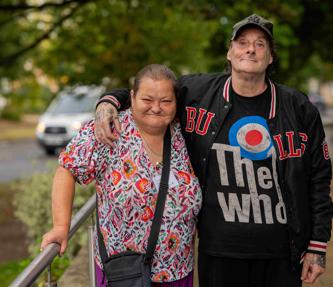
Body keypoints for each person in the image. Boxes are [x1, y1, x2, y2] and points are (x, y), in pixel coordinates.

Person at [94, 14, 333, 287]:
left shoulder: (298, 108)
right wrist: (108, 103)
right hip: (219, 251)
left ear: (270, 58)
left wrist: (317, 246)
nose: (250, 49)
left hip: (282, 253)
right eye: (242, 43)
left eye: (260, 44)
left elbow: (319, 177)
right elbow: (147, 91)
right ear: (230, 53)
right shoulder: (197, 93)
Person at [40, 64, 202, 287]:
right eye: (147, 100)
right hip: (124, 274)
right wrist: (61, 226)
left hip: (177, 271)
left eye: (166, 101)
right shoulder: (108, 129)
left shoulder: (185, 134)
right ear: (132, 97)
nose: (156, 108)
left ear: (176, 102)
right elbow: (67, 169)